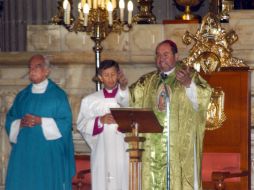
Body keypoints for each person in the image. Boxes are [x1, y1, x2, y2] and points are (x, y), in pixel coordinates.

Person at [129, 40, 212, 190]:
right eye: (158, 55)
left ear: (176, 55)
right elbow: (129, 98)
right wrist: (121, 87)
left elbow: (204, 97)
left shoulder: (189, 75)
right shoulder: (147, 81)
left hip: (178, 145)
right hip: (152, 148)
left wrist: (188, 85)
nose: (161, 58)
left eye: (166, 54)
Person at [5, 54, 75, 190]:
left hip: (47, 155)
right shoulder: (22, 96)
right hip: (24, 154)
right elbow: (10, 119)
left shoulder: (58, 95)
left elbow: (65, 123)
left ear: (47, 71)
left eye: (37, 67)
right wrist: (19, 123)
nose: (32, 70)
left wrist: (41, 121)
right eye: (30, 67)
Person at [77, 60, 129, 190]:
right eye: (106, 75)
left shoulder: (128, 95)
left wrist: (123, 88)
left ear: (118, 74)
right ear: (100, 77)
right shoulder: (90, 101)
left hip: (123, 152)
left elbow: (131, 108)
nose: (110, 78)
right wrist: (100, 121)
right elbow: (82, 125)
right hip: (102, 152)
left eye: (113, 74)